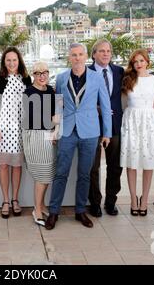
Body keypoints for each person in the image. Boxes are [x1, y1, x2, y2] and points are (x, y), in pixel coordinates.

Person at [45, 43, 111, 230]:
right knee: (61, 173)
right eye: (74, 55)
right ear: (69, 57)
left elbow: (105, 107)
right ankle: (54, 211)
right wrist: (56, 129)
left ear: (86, 56)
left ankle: (80, 210)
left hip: (90, 132)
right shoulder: (61, 77)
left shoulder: (97, 78)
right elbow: (58, 105)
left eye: (80, 54)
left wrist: (107, 132)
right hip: (66, 131)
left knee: (85, 174)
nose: (77, 58)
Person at [120, 49, 154, 217]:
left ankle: (145, 200)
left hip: (149, 122)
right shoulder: (128, 80)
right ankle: (134, 199)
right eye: (135, 61)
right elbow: (124, 105)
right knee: (131, 163)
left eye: (141, 60)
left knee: (148, 163)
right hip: (131, 122)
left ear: (147, 61)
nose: (139, 64)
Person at [0, 46, 32, 219]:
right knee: (4, 165)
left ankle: (15, 200)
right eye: (8, 60)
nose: (12, 63)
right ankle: (5, 200)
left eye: (14, 60)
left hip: (21, 131)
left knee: (17, 166)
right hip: (2, 130)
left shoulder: (26, 79)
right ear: (4, 62)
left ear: (19, 61)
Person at [87, 39, 124, 217]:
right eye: (101, 51)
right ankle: (94, 202)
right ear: (94, 54)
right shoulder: (86, 72)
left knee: (115, 165)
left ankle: (111, 202)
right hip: (92, 125)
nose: (106, 54)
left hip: (115, 125)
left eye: (108, 51)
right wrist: (97, 108)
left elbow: (137, 83)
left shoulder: (119, 71)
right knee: (92, 167)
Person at [22, 61, 58, 226]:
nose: (42, 76)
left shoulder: (50, 90)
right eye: (38, 73)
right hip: (35, 136)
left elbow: (54, 114)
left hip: (49, 135)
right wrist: (53, 123)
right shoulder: (29, 92)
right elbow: (36, 119)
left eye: (45, 72)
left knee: (47, 173)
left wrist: (55, 130)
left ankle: (42, 204)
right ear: (33, 75)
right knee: (42, 175)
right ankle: (36, 209)